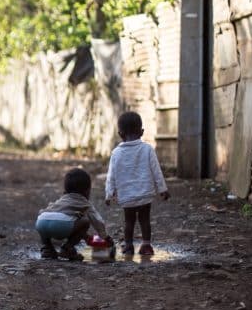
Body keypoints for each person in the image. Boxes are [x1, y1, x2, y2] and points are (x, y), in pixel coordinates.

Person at [105, 111, 170, 256]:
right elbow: (156, 171)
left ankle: (128, 246)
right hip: (145, 193)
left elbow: (111, 176)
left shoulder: (116, 153)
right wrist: (162, 189)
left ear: (120, 134)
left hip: (127, 195)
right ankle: (146, 245)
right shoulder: (147, 149)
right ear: (142, 131)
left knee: (129, 221)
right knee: (144, 219)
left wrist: (109, 194)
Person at [35, 167, 111, 262]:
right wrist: (105, 237)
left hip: (41, 222)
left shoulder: (62, 200)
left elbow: (62, 220)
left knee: (50, 220)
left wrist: (86, 237)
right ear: (87, 191)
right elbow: (97, 221)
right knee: (85, 222)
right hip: (62, 226)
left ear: (65, 190)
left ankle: (47, 248)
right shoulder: (85, 202)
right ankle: (67, 248)